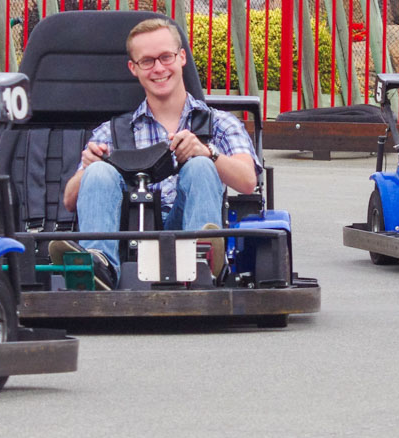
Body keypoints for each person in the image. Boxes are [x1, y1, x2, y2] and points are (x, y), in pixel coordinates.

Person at [58, 17, 259, 284]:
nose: (158, 68)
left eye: (166, 57)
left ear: (181, 58)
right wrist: (90, 167)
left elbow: (247, 181)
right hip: (126, 233)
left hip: (184, 228)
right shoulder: (112, 132)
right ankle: (100, 266)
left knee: (199, 165)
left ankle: (201, 263)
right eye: (147, 61)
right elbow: (69, 201)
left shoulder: (220, 123)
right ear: (134, 68)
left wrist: (206, 152)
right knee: (96, 172)